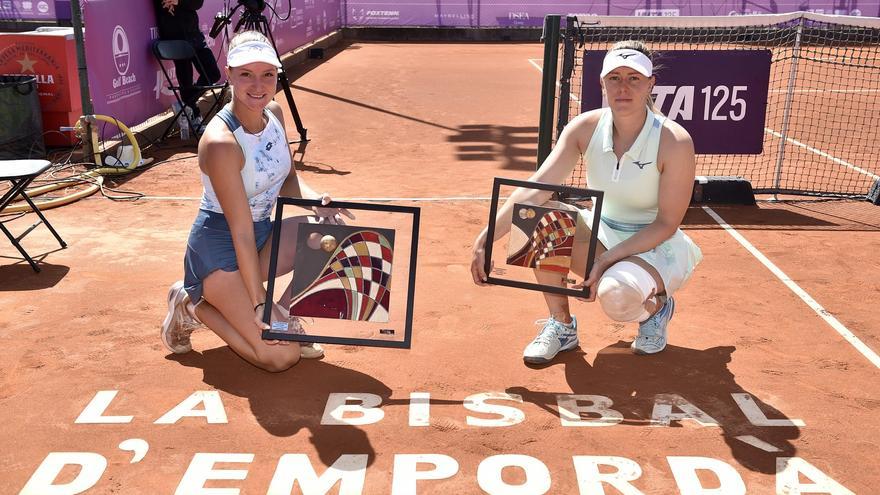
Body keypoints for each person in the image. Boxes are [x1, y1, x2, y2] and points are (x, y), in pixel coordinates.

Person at [471, 41, 702, 364]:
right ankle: (561, 326)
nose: (623, 87)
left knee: (616, 294)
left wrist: (606, 262)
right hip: (603, 232)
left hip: (654, 244)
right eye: (615, 78)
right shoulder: (585, 127)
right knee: (539, 218)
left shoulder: (674, 140)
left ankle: (657, 308)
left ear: (650, 84)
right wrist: (485, 239)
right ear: (602, 83)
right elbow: (535, 188)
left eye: (634, 78)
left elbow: (666, 223)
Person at [160, 30, 352, 372]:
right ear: (230, 74)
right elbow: (240, 231)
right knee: (280, 357)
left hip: (260, 235)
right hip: (220, 250)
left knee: (333, 236)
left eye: (267, 74)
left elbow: (289, 179)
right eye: (246, 74)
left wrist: (315, 201)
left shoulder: (274, 113)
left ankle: (286, 320)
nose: (258, 85)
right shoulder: (220, 143)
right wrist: (259, 303)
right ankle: (192, 305)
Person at [154, 0, 222, 130]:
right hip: (174, 37)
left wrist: (179, 1)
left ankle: (185, 105)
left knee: (213, 73)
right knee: (186, 79)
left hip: (194, 35)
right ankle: (194, 116)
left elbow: (197, 3)